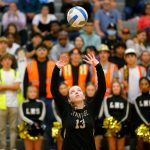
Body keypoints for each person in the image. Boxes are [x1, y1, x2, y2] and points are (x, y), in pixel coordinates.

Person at [51, 53, 106, 150]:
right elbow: (54, 90)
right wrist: (56, 69)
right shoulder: (65, 108)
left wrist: (98, 66)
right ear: (69, 99)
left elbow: (102, 88)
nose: (76, 92)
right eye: (72, 91)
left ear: (84, 95)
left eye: (79, 90)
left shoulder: (91, 107)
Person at [23, 44, 56, 149]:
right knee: (35, 123)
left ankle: (52, 146)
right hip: (34, 100)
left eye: (44, 49)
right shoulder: (30, 65)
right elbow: (25, 83)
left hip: (50, 99)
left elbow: (58, 81)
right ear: (36, 52)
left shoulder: (53, 64)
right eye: (39, 49)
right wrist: (26, 98)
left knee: (51, 123)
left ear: (47, 52)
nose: (42, 51)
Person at [0, 53, 23, 150]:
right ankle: (3, 147)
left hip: (14, 103)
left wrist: (4, 86)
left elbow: (17, 87)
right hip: (1, 105)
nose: (7, 61)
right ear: (1, 62)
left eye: (9, 59)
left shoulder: (15, 72)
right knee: (2, 129)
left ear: (12, 62)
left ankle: (13, 147)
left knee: (14, 128)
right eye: (5, 59)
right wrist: (11, 86)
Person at [104, 80, 129, 150]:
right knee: (112, 148)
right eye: (114, 86)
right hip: (110, 126)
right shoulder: (107, 99)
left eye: (117, 86)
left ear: (120, 88)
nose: (116, 88)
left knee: (120, 148)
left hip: (122, 126)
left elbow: (126, 114)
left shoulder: (125, 100)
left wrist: (119, 123)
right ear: (111, 88)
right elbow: (106, 113)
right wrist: (113, 123)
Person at [20, 85, 46, 150]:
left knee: (38, 147)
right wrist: (31, 123)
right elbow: (22, 116)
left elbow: (43, 115)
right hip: (27, 127)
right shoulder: (23, 103)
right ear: (27, 93)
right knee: (28, 147)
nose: (32, 93)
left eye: (34, 92)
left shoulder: (41, 103)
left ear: (37, 93)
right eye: (30, 92)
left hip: (38, 126)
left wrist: (37, 123)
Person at [133, 77, 150, 150]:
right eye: (142, 84)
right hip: (141, 126)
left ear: (149, 85)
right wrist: (147, 122)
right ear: (139, 86)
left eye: (146, 84)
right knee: (140, 147)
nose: (144, 86)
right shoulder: (137, 99)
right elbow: (139, 113)